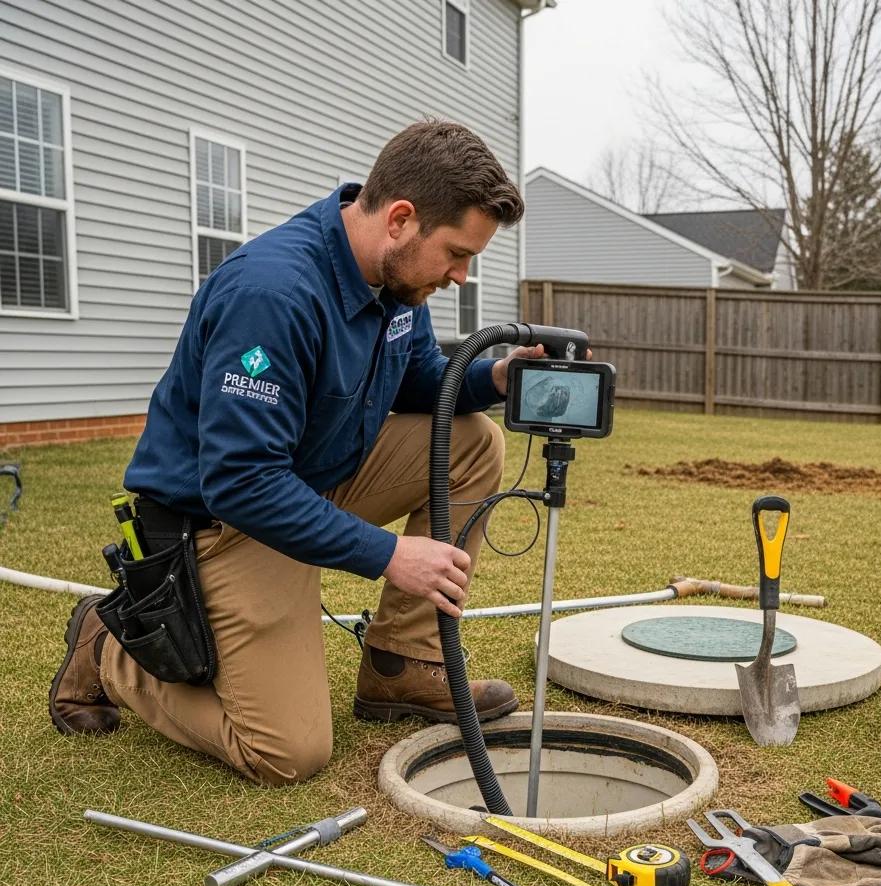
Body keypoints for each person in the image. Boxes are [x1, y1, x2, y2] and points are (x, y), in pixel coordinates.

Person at [48, 120, 545, 786]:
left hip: (312, 479)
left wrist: (496, 377)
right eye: (457, 253)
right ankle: (111, 648)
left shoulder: (398, 283)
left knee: (472, 441)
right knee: (286, 753)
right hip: (224, 522)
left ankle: (401, 665)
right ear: (400, 219)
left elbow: (421, 377)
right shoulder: (273, 295)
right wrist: (393, 555)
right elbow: (241, 482)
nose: (461, 275)